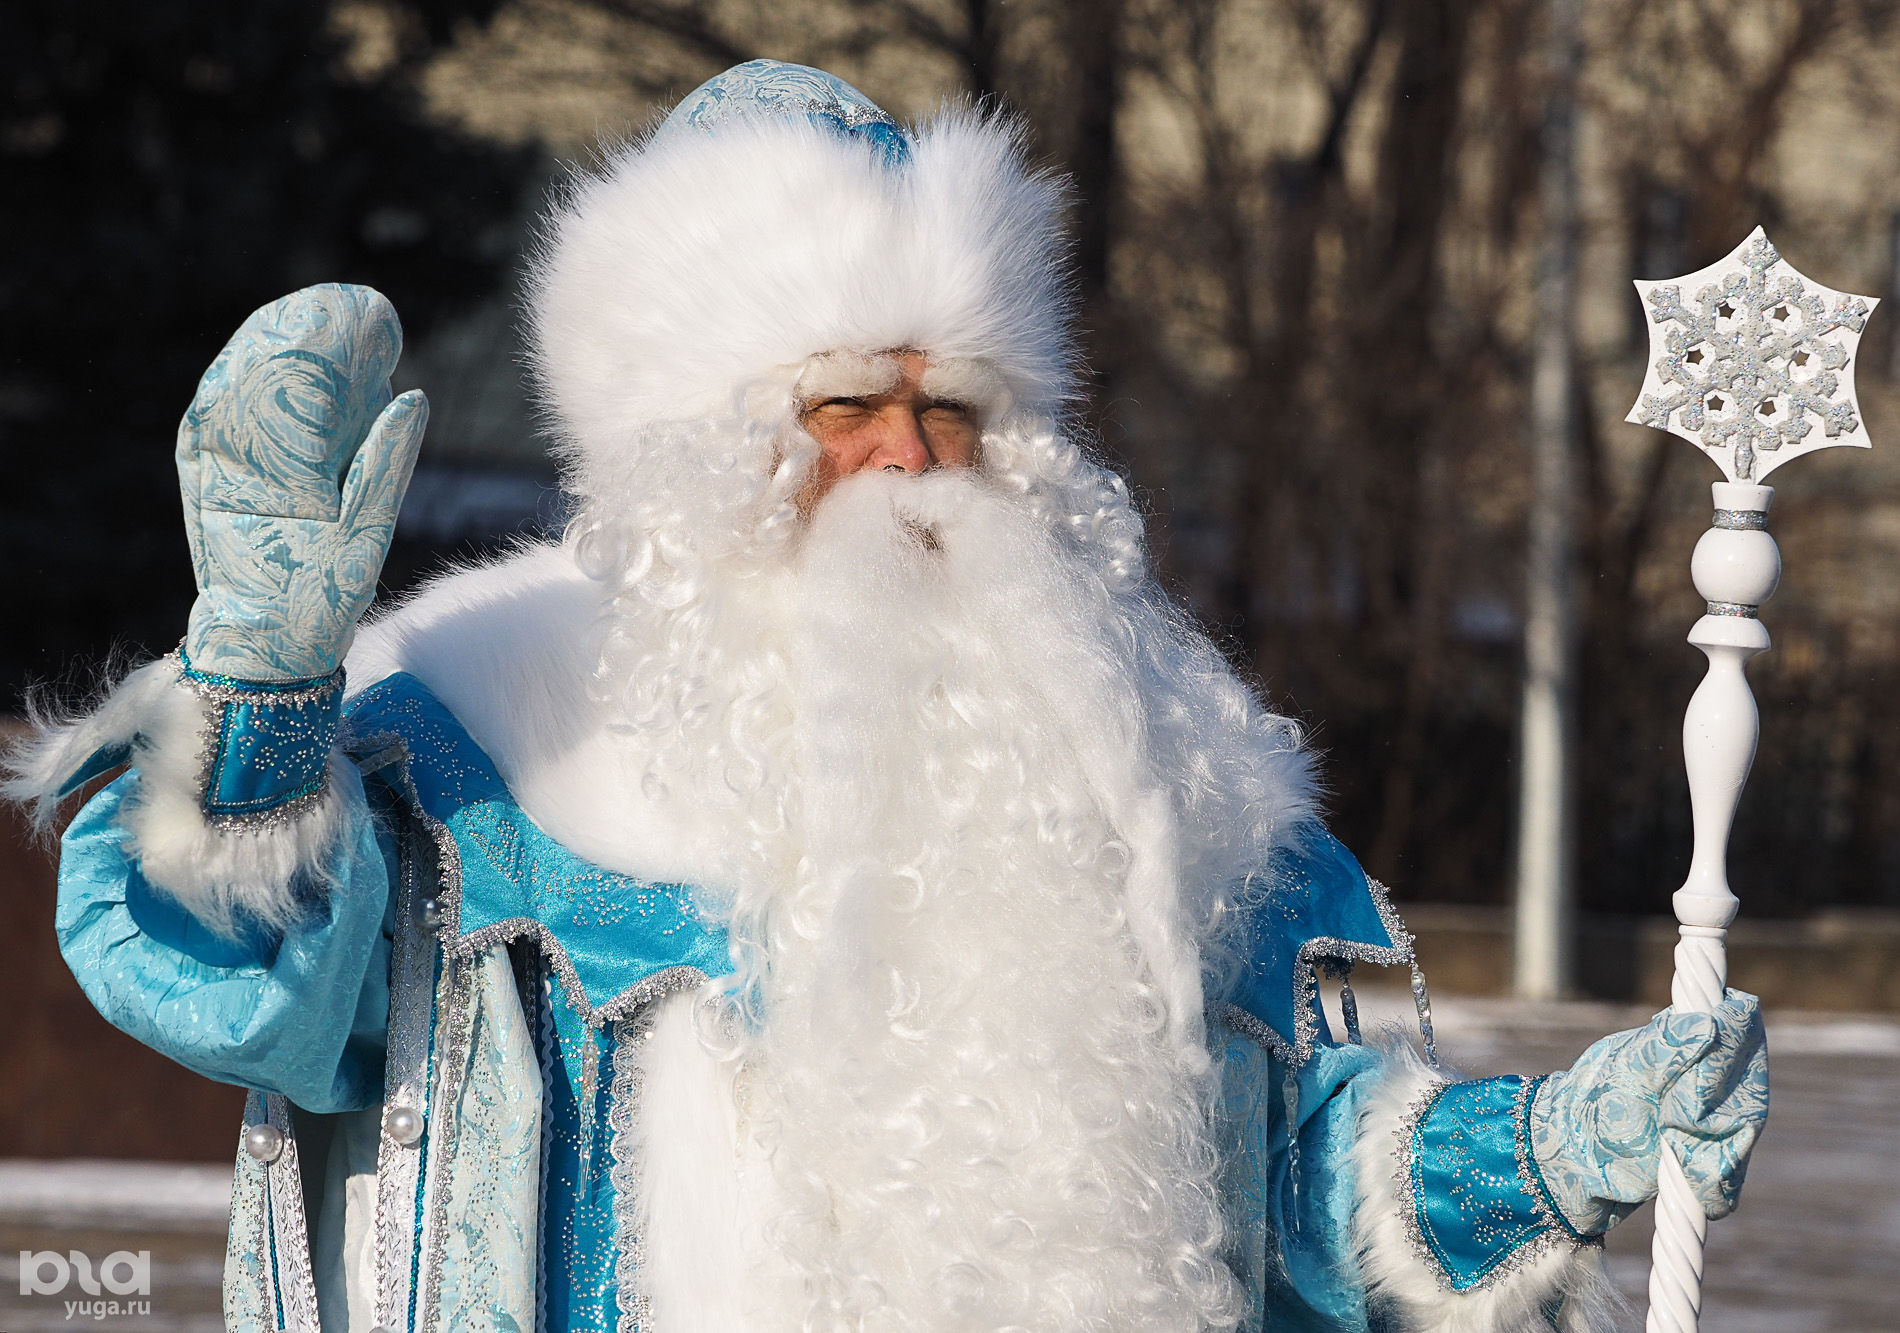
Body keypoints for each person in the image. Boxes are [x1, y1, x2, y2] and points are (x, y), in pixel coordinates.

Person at [7, 61, 1765, 1333]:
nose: (915, 457)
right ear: (693, 442)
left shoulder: (1147, 776)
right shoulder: (477, 737)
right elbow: (226, 988)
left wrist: (1536, 1147)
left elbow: (1287, 1192)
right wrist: (258, 684)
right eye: (846, 398)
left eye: (961, 407)